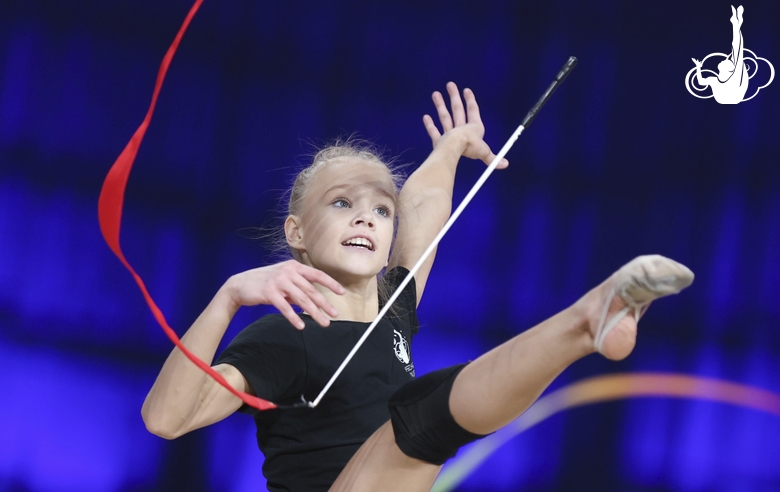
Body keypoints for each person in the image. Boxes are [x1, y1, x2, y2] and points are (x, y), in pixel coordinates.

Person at [141, 83, 694, 492]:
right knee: (422, 414)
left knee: (424, 420)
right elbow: (166, 420)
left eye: (381, 210)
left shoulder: (392, 312)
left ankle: (588, 325)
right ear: (297, 233)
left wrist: (450, 150)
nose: (366, 219)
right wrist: (230, 294)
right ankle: (583, 320)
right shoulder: (284, 336)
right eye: (342, 204)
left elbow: (424, 225)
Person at [692, 5, 748, 104]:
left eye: (727, 61)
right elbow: (701, 82)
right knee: (737, 52)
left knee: (737, 51)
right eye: (728, 61)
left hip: (733, 96)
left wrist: (698, 68)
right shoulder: (715, 80)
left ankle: (736, 23)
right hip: (729, 97)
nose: (724, 59)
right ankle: (736, 24)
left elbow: (737, 49)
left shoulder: (732, 77)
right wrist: (698, 67)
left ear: (729, 69)